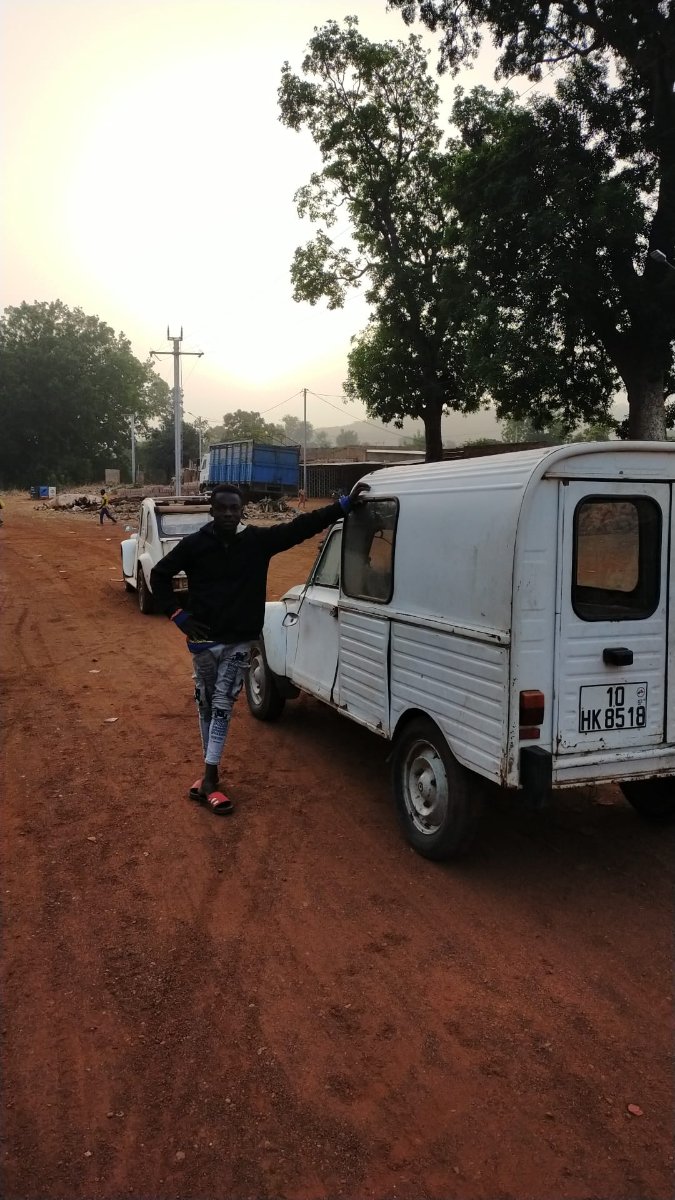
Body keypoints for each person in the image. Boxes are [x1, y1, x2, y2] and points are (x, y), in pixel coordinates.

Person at [150, 480, 369, 816]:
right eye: (222, 508)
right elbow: (159, 575)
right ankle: (208, 775)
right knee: (206, 705)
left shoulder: (257, 542)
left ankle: (210, 778)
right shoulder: (194, 545)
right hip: (203, 642)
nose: (228, 513)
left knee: (222, 704)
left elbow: (299, 528)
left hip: (239, 639)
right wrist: (178, 615)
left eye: (233, 508)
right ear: (212, 510)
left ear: (242, 511)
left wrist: (341, 507)